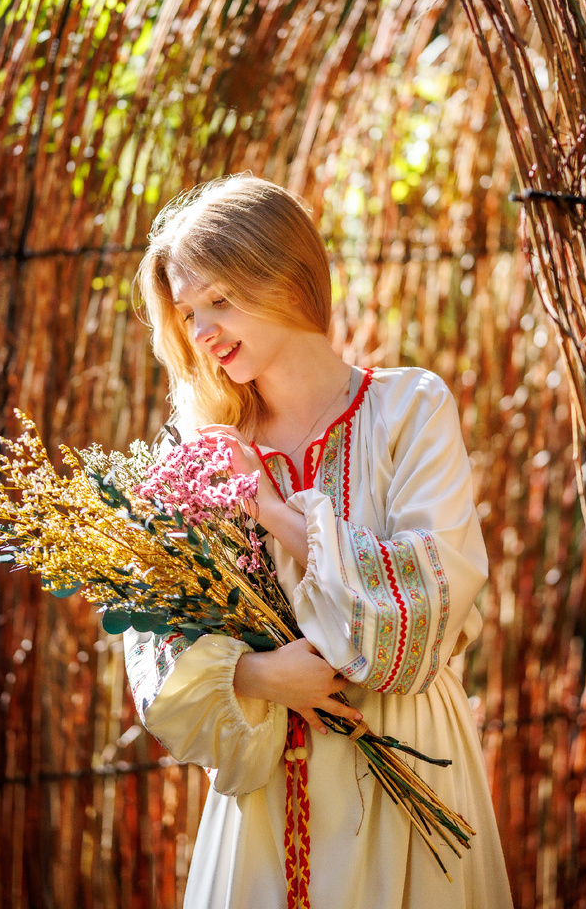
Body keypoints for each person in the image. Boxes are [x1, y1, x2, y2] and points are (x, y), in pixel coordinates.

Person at [126, 174, 513, 909]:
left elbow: (427, 603)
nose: (202, 331)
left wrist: (270, 508)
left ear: (286, 276)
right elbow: (150, 638)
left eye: (219, 298)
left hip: (406, 761)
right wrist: (258, 677)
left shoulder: (411, 410)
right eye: (187, 312)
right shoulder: (202, 451)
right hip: (263, 796)